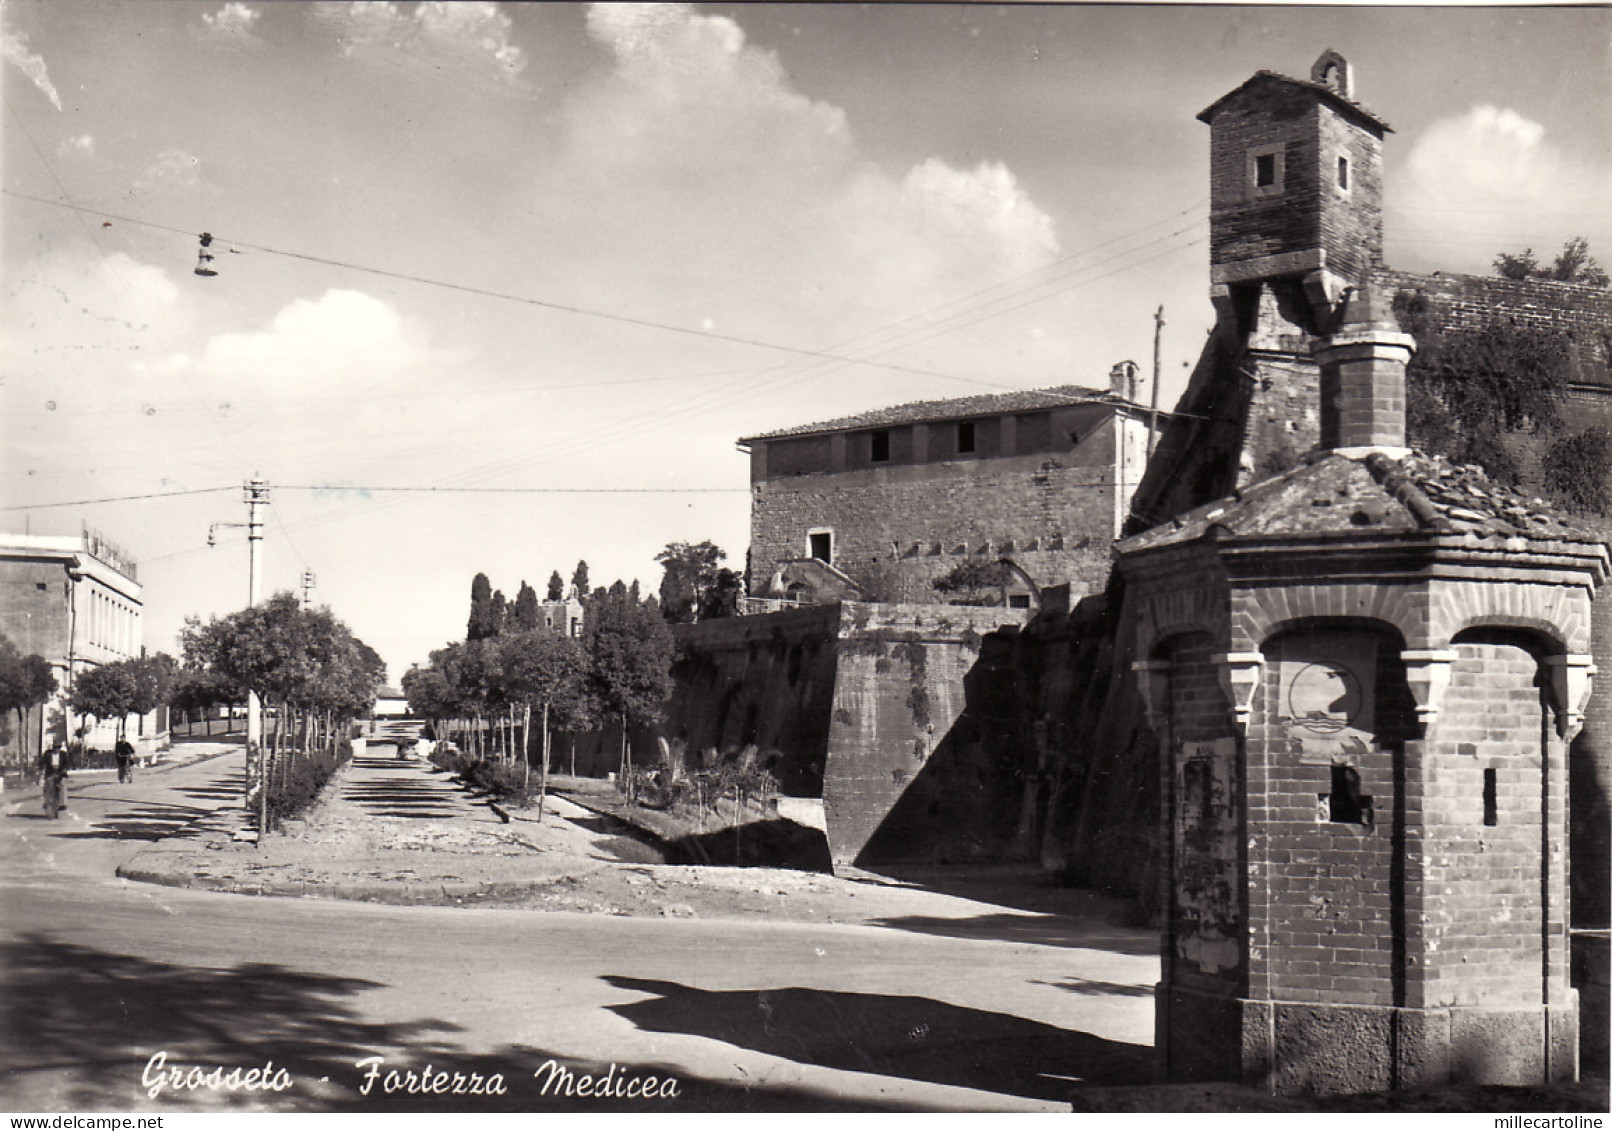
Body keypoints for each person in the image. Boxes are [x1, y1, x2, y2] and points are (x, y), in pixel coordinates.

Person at [39, 740, 67, 819]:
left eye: (58, 747)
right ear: (52, 748)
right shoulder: (47, 753)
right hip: (50, 773)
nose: (56, 749)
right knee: (47, 786)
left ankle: (62, 803)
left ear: (60, 748)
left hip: (60, 773)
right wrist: (41, 768)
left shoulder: (63, 755)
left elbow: (66, 763)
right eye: (55, 747)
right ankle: (46, 801)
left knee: (63, 784)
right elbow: (41, 762)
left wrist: (64, 769)